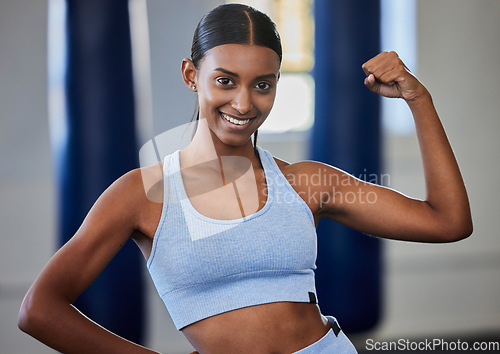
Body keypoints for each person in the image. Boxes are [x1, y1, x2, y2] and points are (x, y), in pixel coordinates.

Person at [18, 3, 472, 353]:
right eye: (225, 81)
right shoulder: (141, 194)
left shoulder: (306, 183)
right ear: (191, 75)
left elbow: (448, 221)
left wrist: (418, 99)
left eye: (262, 84)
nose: (243, 103)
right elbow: (39, 309)